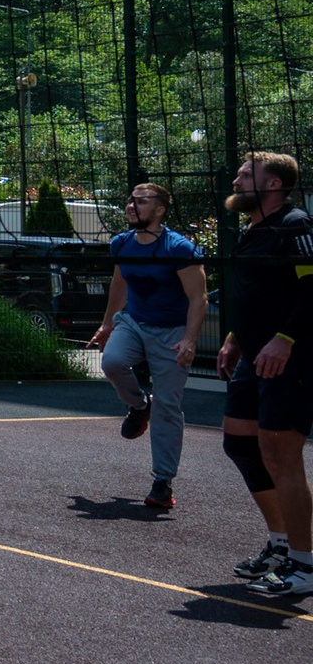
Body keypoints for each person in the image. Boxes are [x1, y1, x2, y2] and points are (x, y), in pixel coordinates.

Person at [214, 154, 313, 596]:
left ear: (272, 184)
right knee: (240, 443)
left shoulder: (296, 225)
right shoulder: (252, 229)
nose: (236, 180)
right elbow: (254, 293)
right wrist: (234, 337)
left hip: (290, 359)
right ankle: (280, 543)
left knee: (281, 456)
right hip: (253, 358)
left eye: (245, 175)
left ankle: (306, 567)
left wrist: (285, 339)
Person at [89, 182, 207, 513]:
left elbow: (199, 297)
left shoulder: (178, 248)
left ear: (160, 210)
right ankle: (140, 406)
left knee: (168, 405)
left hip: (172, 332)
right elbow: (119, 282)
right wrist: (107, 324)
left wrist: (190, 339)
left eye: (141, 201)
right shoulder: (122, 243)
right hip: (134, 322)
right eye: (130, 200)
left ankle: (162, 482)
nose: (131, 205)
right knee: (111, 362)